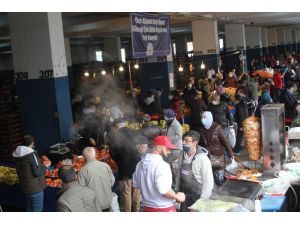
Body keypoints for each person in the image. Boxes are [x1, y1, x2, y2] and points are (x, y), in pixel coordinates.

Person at [132, 136, 186, 212]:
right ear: (159, 147)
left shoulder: (140, 164)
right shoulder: (162, 165)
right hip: (164, 208)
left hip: (147, 208)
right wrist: (177, 196)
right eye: (167, 148)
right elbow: (163, 191)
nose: (169, 152)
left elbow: (135, 184)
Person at [173, 130, 214, 212]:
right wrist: (177, 190)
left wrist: (202, 202)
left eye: (187, 141)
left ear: (195, 143)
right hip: (184, 194)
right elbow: (179, 174)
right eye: (183, 140)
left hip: (197, 196)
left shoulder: (203, 159)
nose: (183, 143)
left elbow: (208, 182)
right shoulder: (181, 154)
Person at [109, 117, 142, 212]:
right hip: (137, 167)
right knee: (136, 192)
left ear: (116, 126)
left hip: (124, 169)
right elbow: (141, 148)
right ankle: (136, 211)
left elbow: (112, 153)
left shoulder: (115, 136)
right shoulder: (134, 132)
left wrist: (119, 161)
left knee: (126, 193)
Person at [197, 111, 236, 186]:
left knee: (219, 176)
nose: (202, 119)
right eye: (202, 117)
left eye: (205, 117)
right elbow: (200, 143)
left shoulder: (217, 127)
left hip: (217, 156)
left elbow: (225, 142)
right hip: (206, 156)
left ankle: (222, 190)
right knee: (209, 175)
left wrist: (231, 154)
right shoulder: (200, 129)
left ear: (210, 118)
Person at [12, 135, 49, 212]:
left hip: (25, 188)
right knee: (37, 211)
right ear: (32, 143)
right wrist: (46, 167)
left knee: (30, 208)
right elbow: (37, 172)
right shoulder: (32, 155)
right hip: (35, 189)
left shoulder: (16, 155)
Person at [77, 147, 115, 212]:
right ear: (95, 155)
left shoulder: (82, 171)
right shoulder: (105, 165)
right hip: (107, 203)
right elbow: (112, 181)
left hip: (93, 207)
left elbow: (80, 190)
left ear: (83, 157)